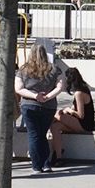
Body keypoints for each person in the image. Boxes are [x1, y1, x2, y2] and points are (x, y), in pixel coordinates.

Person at [16, 45, 64, 174]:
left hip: (29, 104)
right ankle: (46, 163)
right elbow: (60, 87)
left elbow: (18, 88)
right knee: (42, 134)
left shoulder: (23, 69)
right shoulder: (54, 69)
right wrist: (47, 96)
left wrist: (35, 96)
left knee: (33, 135)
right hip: (48, 106)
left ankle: (37, 166)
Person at [56, 67, 95, 139]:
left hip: (85, 125)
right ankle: (58, 150)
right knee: (55, 126)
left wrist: (69, 110)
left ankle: (40, 131)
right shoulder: (81, 91)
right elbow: (75, 108)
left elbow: (81, 115)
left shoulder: (79, 93)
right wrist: (65, 111)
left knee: (57, 116)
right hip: (80, 122)